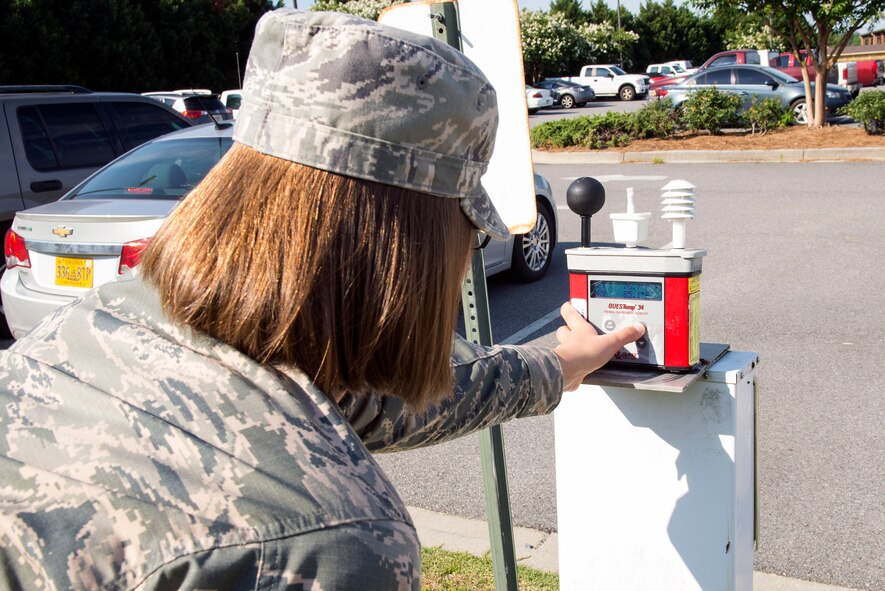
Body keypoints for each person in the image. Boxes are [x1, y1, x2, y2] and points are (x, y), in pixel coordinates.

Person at [0, 9, 643, 590]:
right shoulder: (326, 545)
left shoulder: (97, 326)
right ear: (406, 251)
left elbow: (366, 399)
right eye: (464, 235)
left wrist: (556, 367)